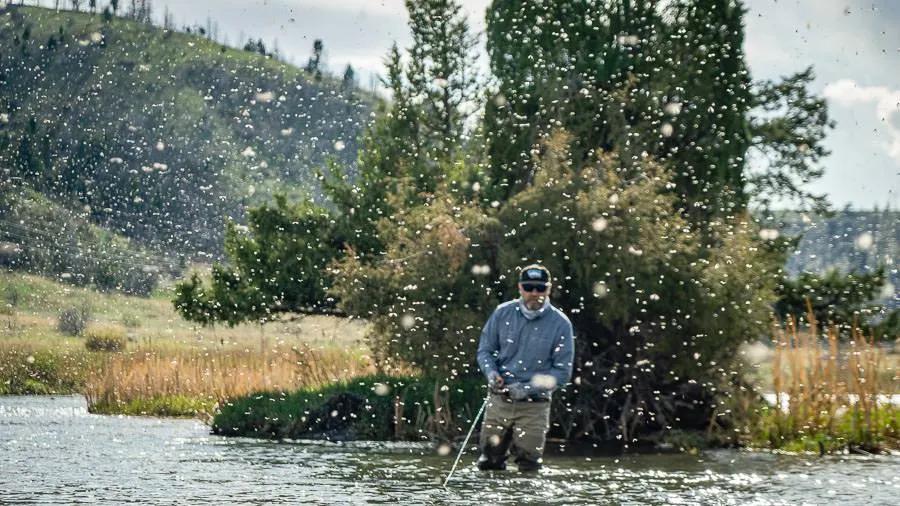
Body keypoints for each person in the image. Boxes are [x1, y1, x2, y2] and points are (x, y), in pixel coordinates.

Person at [475, 264, 575, 472]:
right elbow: (485, 351)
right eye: (529, 287)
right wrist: (491, 373)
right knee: (488, 462)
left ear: (549, 289)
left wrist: (527, 388)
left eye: (540, 288)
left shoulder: (561, 324)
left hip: (535, 406)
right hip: (499, 401)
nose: (534, 293)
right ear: (520, 288)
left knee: (529, 466)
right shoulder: (502, 313)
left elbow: (562, 373)